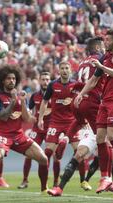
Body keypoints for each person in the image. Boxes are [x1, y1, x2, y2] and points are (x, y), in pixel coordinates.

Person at [48, 37, 113, 196]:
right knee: (106, 146)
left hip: (81, 105)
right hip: (95, 107)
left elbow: (81, 84)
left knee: (101, 151)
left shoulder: (82, 63)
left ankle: (112, 183)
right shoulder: (101, 60)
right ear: (99, 47)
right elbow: (98, 81)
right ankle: (104, 179)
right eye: (103, 45)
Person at [0, 65, 48, 199]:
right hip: (2, 134)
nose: (12, 81)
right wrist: (14, 101)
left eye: (14, 78)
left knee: (43, 159)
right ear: (2, 80)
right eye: (8, 78)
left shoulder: (21, 96)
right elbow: (2, 116)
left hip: (19, 135)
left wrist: (22, 103)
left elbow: (26, 119)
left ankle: (44, 189)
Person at [74, 29, 113, 193]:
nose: (104, 42)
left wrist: (102, 67)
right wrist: (81, 94)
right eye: (104, 40)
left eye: (108, 40)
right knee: (100, 138)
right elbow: (93, 80)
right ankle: (105, 178)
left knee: (112, 136)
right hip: (105, 100)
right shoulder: (104, 58)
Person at [37, 61, 81, 193]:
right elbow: (45, 101)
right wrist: (40, 118)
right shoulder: (52, 85)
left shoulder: (76, 84)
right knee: (47, 153)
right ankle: (44, 186)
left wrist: (83, 120)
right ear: (59, 70)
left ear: (71, 70)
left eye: (67, 68)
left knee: (79, 151)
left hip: (72, 122)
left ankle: (81, 180)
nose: (64, 70)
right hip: (55, 122)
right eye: (62, 68)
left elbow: (83, 99)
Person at [18, 72, 52, 189]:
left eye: (47, 80)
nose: (45, 82)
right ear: (39, 81)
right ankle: (25, 180)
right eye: (43, 79)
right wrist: (25, 107)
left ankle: (55, 182)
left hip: (51, 128)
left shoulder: (55, 95)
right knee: (28, 154)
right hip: (37, 128)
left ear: (50, 80)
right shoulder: (35, 96)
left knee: (50, 155)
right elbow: (28, 109)